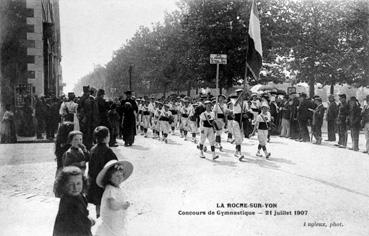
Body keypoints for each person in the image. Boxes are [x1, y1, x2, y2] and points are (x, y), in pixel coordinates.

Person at [94, 160, 133, 236]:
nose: (120, 178)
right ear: (109, 178)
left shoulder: (116, 188)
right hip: (111, 221)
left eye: (121, 175)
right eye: (117, 176)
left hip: (116, 219)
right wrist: (122, 205)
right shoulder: (110, 189)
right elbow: (112, 205)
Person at [53, 166, 94, 236]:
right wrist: (90, 222)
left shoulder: (79, 196)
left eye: (78, 183)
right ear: (63, 185)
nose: (75, 187)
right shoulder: (67, 201)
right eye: (71, 184)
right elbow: (78, 222)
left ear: (83, 182)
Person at [87, 126, 118, 218]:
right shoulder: (108, 151)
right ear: (106, 138)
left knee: (98, 202)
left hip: (94, 180)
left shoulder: (93, 149)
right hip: (104, 180)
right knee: (106, 201)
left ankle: (98, 215)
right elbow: (115, 164)